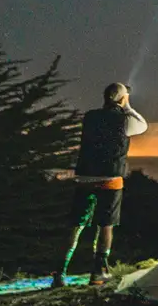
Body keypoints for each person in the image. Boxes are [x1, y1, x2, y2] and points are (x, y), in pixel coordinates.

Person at [52, 82, 147, 288]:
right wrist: (127, 105)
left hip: (85, 177)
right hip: (110, 178)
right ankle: (98, 272)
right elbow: (142, 125)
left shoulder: (90, 117)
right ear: (122, 98)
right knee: (105, 225)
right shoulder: (125, 120)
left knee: (75, 226)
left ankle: (59, 274)